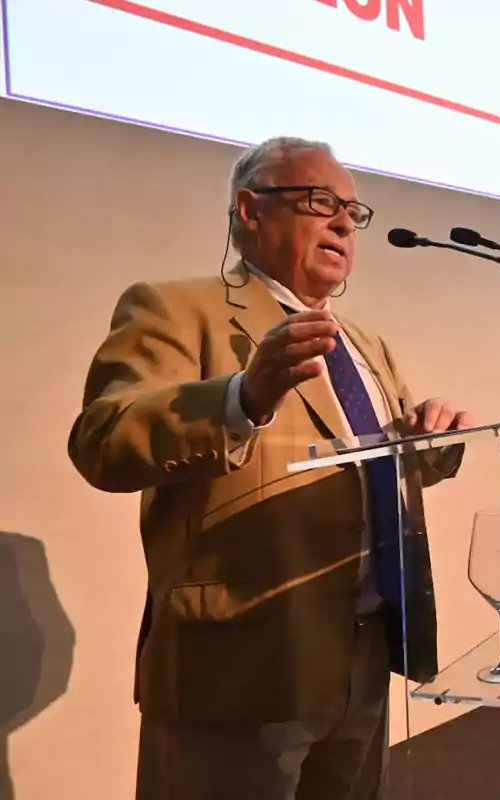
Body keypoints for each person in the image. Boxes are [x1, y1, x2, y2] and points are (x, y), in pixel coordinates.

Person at [67, 136, 472, 799]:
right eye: (321, 202)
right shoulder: (175, 309)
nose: (345, 222)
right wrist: (240, 398)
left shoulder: (364, 343)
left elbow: (367, 476)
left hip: (362, 658)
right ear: (250, 210)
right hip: (239, 668)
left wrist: (429, 441)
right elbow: (102, 440)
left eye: (353, 211)